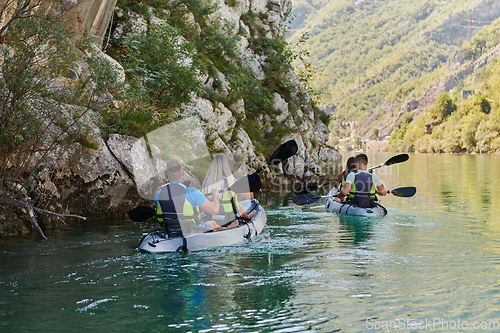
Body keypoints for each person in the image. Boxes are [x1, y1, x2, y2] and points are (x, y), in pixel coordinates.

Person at [155, 159, 223, 237]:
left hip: (169, 229)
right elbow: (214, 210)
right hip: (191, 230)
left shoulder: (158, 194)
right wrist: (215, 196)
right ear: (183, 173)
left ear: (167, 175)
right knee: (213, 223)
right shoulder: (192, 192)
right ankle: (227, 231)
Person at [202, 154, 256, 229]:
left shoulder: (206, 181)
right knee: (234, 201)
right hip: (228, 219)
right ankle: (245, 220)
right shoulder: (230, 181)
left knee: (236, 202)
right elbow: (250, 196)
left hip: (210, 218)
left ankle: (246, 218)